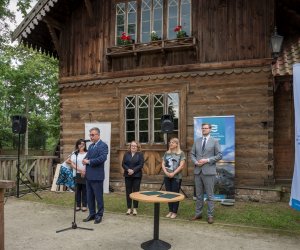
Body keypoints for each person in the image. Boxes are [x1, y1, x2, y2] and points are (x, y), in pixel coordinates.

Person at [190, 123, 222, 224]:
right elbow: (192, 154)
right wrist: (195, 162)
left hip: (209, 172)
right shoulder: (197, 141)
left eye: (206, 128)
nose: (204, 130)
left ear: (210, 129)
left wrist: (207, 160)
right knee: (199, 195)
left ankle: (210, 215)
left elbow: (219, 155)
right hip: (198, 171)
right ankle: (198, 214)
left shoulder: (215, 141)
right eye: (202, 128)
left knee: (210, 195)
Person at [82, 127, 108, 224]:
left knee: (98, 197)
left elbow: (102, 158)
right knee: (89, 197)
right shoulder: (91, 146)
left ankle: (99, 215)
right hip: (89, 176)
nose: (91, 137)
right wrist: (84, 160)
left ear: (98, 135)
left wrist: (88, 161)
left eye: (93, 135)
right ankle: (92, 214)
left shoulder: (103, 146)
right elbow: (86, 156)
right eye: (90, 135)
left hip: (97, 176)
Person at [161, 138, 186, 219]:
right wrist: (166, 172)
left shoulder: (181, 153)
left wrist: (173, 173)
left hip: (176, 177)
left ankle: (174, 212)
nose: (170, 144)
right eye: (170, 142)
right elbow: (163, 163)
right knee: (168, 194)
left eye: (172, 142)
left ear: (176, 144)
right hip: (167, 176)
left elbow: (181, 165)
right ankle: (170, 211)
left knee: (175, 194)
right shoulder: (166, 153)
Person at [122, 141, 144, 216]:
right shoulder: (126, 154)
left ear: (137, 147)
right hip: (127, 175)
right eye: (132, 146)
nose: (133, 147)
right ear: (130, 146)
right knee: (128, 191)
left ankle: (135, 208)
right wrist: (128, 170)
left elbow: (141, 164)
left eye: (135, 146)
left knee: (136, 191)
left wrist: (133, 170)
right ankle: (129, 208)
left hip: (137, 176)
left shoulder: (140, 154)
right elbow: (123, 164)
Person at [69, 139, 87, 212]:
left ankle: (85, 205)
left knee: (85, 190)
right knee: (77, 191)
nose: (81, 145)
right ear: (77, 145)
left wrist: (84, 171)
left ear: (85, 145)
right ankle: (78, 205)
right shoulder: (74, 153)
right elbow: (72, 163)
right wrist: (80, 170)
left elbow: (88, 163)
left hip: (85, 174)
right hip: (76, 174)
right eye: (80, 144)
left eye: (83, 144)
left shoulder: (88, 153)